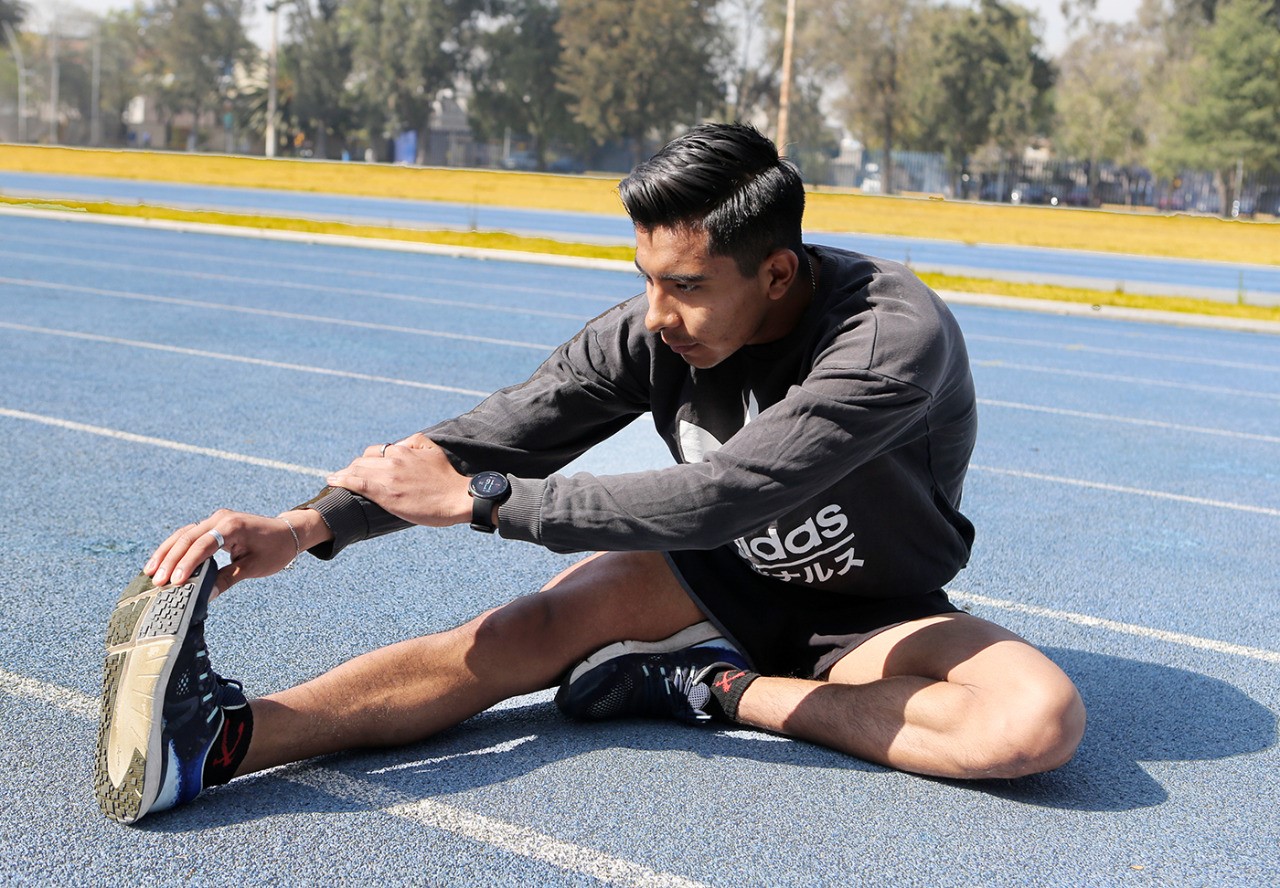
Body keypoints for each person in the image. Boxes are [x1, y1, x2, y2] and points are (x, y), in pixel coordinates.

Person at [94, 123, 1086, 825]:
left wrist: (487, 507)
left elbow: (730, 491)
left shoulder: (885, 341)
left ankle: (711, 690)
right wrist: (307, 526)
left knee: (1033, 723)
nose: (655, 313)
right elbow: (498, 434)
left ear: (775, 274)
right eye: (646, 277)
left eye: (686, 286)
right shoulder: (652, 329)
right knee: (522, 630)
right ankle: (212, 745)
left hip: (877, 613)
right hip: (712, 572)